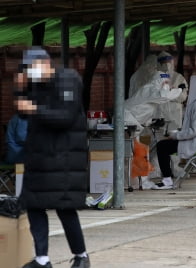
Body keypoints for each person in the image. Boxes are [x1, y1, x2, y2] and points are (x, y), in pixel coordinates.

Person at [16, 47, 90, 268]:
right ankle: (42, 259)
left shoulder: (68, 80)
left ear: (45, 63)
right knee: (34, 205)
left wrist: (34, 109)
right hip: (40, 158)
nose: (30, 72)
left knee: (64, 208)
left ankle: (81, 256)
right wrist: (20, 90)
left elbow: (65, 117)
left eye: (32, 67)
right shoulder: (36, 85)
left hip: (63, 158)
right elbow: (22, 112)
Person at [154, 75, 196, 190]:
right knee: (164, 145)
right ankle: (167, 178)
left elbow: (194, 131)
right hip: (195, 141)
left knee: (161, 146)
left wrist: (176, 135)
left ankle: (167, 180)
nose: (189, 90)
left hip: (193, 143)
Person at [156, 51, 188, 130]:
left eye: (169, 62)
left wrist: (168, 94)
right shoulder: (154, 78)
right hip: (159, 116)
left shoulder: (178, 78)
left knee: (173, 138)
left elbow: (183, 97)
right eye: (163, 63)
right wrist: (172, 93)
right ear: (158, 64)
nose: (167, 65)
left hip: (175, 116)